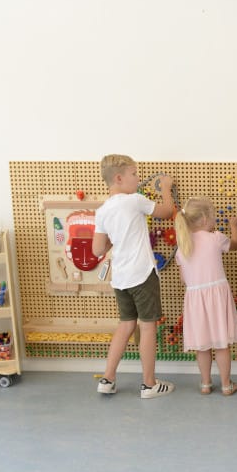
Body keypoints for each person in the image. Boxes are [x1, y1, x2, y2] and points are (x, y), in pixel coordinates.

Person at [92, 155, 176, 399]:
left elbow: (98, 249)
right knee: (147, 327)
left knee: (126, 324)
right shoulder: (135, 200)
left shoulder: (103, 211)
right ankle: (149, 384)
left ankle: (107, 379)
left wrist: (116, 237)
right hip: (142, 274)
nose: (138, 179)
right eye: (134, 174)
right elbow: (167, 211)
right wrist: (166, 188)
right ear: (119, 178)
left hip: (120, 278)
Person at [174, 196, 237, 395]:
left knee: (202, 346)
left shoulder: (182, 246)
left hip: (195, 300)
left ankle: (205, 384)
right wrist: (233, 226)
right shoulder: (215, 238)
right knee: (221, 344)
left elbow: (184, 279)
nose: (214, 220)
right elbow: (235, 244)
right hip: (217, 298)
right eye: (213, 216)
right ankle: (226, 385)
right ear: (205, 219)